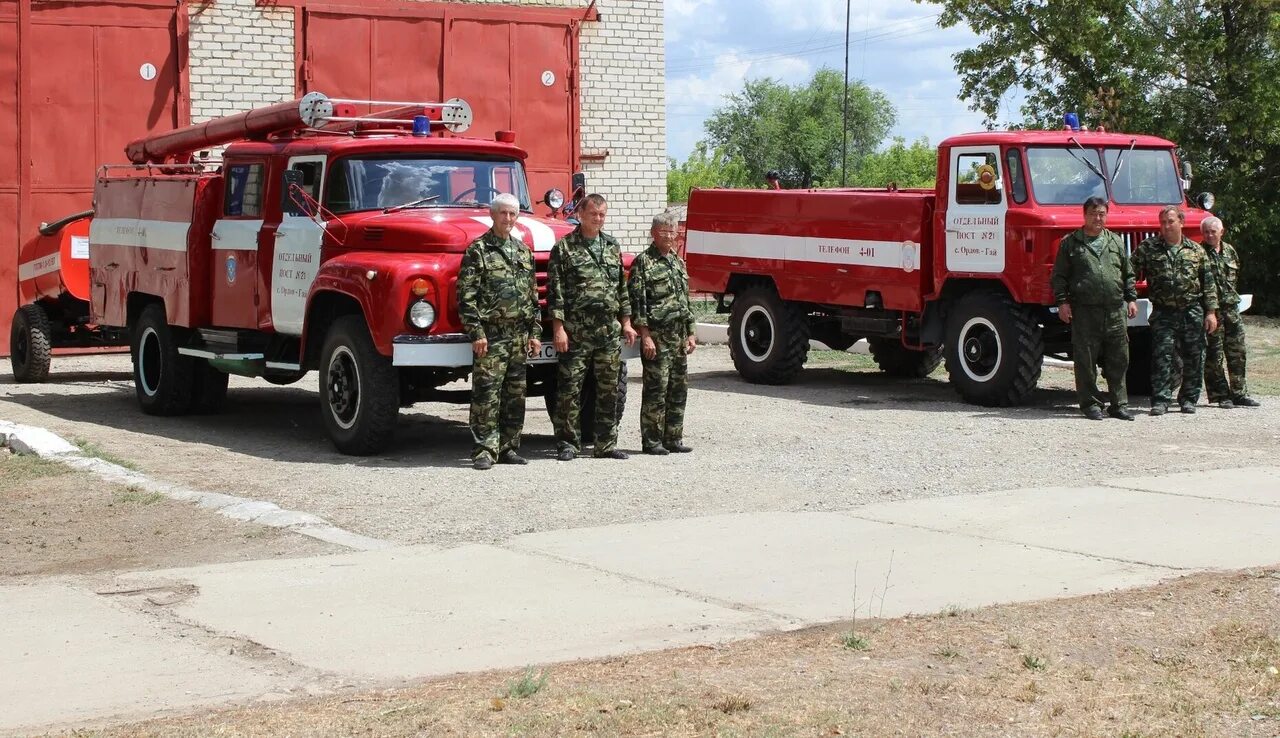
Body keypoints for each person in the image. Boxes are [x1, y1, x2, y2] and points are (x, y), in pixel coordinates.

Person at [547, 193, 637, 461]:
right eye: (593, 214)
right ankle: (567, 444)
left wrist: (627, 323)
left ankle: (606, 444)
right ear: (580, 214)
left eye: (602, 215)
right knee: (569, 390)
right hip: (576, 332)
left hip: (607, 332)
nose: (597, 219)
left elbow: (621, 289)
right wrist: (558, 328)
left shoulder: (611, 246)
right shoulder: (564, 248)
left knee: (608, 390)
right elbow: (556, 292)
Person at [456, 194, 541, 470]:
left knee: (515, 394)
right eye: (503, 213)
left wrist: (534, 332)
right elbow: (466, 295)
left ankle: (508, 447)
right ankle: (484, 449)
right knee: (487, 395)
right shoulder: (479, 250)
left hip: (518, 336)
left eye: (512, 214)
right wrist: (476, 332)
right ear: (493, 216)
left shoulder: (523, 251)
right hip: (491, 336)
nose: (507, 219)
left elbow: (532, 296)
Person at [1050, 197, 1138, 420]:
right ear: (1084, 215)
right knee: (1086, 360)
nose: (1098, 218)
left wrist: (1132, 299)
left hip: (1115, 310)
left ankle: (1119, 405)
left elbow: (1128, 273)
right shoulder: (1070, 243)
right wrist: (1062, 302)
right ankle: (1090, 404)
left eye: (1101, 214)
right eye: (1093, 213)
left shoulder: (1115, 241)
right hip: (1085, 311)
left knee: (1119, 358)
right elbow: (1059, 276)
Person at [1132, 206, 1218, 416]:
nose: (1166, 226)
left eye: (1170, 221)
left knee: (1194, 356)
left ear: (1181, 222)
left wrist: (1211, 312)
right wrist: (1129, 297)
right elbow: (1128, 272)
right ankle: (1160, 399)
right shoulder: (1148, 248)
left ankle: (1188, 399)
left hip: (1192, 310)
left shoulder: (1196, 250)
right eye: (1163, 222)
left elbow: (1208, 283)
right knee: (1162, 356)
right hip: (1163, 311)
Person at [628, 212, 697, 453]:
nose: (669, 236)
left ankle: (673, 438)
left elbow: (685, 301)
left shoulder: (677, 262)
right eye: (664, 232)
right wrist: (645, 335)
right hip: (657, 337)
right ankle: (652, 441)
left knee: (678, 389)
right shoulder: (643, 263)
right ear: (653, 234)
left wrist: (691, 332)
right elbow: (638, 303)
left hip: (678, 337)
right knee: (656, 390)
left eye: (673, 231)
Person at [1201, 216, 1261, 408]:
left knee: (1238, 352)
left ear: (1221, 232)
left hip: (1231, 310)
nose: (1210, 235)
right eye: (1207, 232)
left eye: (1213, 231)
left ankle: (1239, 393)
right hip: (1212, 311)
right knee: (1213, 355)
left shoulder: (1230, 251)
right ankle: (1220, 395)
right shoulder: (1198, 253)